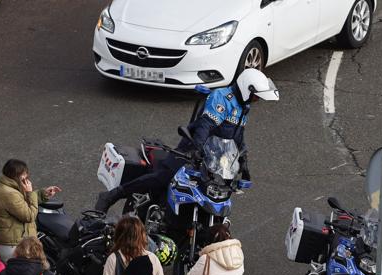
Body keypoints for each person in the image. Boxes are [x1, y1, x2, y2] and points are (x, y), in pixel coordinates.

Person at [95, 68, 279, 213]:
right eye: (256, 96)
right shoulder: (221, 98)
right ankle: (111, 196)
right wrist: (197, 150)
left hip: (215, 157)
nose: (256, 100)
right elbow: (205, 126)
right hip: (192, 148)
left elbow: (237, 135)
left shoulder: (243, 107)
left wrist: (243, 161)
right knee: (164, 178)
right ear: (247, 88)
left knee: (215, 194)